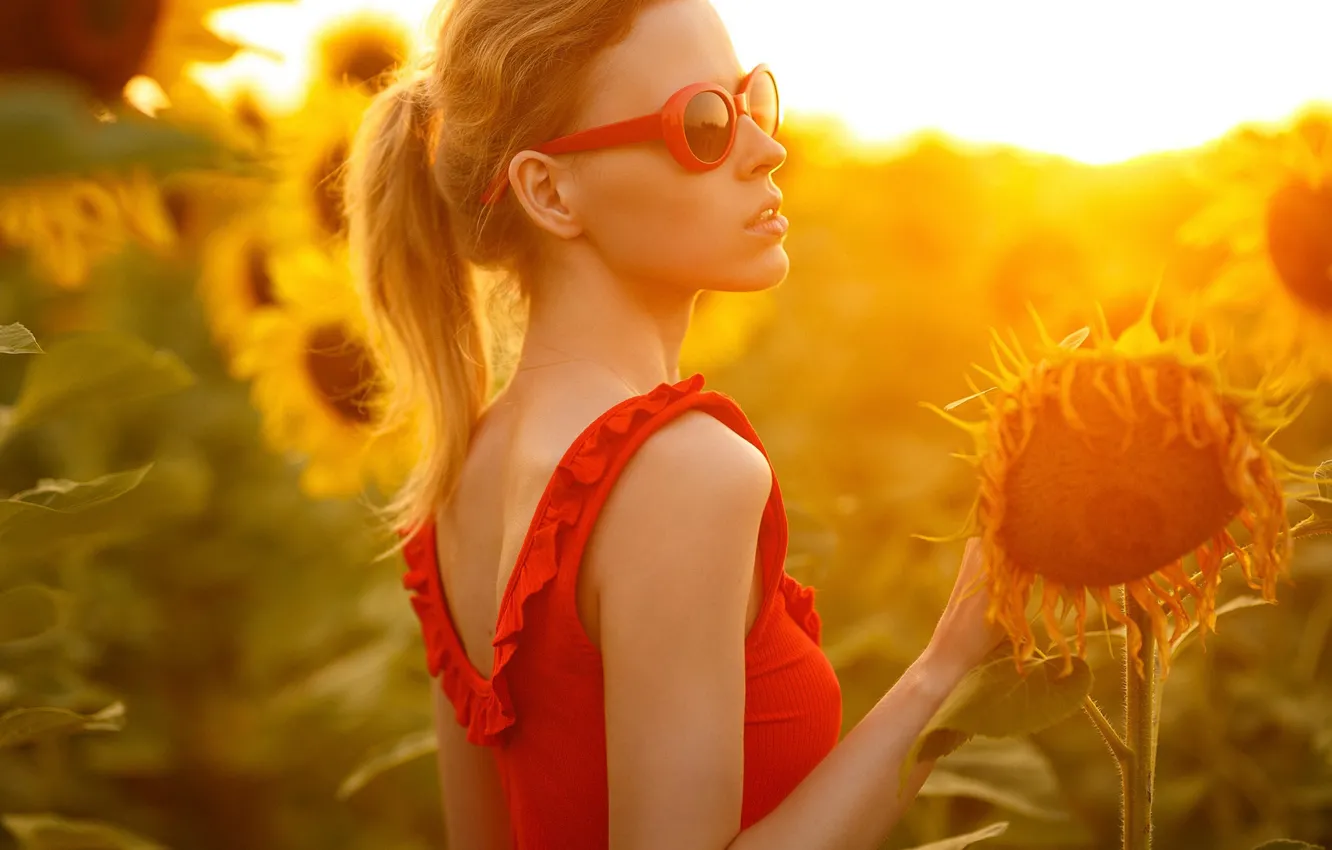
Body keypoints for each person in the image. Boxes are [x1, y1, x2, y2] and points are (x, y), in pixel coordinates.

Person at [343, 0, 1004, 847]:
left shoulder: (462, 471)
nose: (767, 149)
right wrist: (945, 670)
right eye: (704, 123)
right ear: (549, 191)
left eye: (751, 99)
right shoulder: (681, 474)